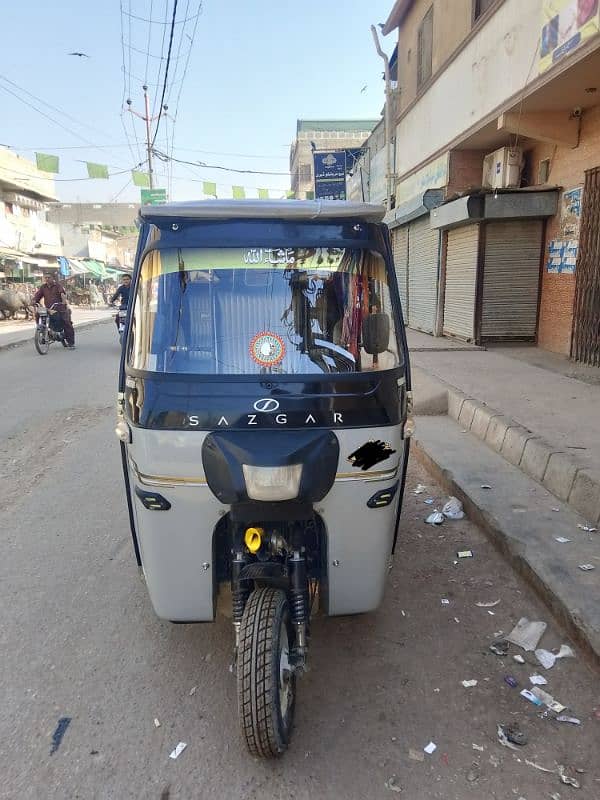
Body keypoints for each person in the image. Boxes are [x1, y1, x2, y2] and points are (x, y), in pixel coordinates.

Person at [32, 273, 75, 348]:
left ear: (53, 278)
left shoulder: (58, 286)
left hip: (60, 308)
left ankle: (71, 343)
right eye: (46, 277)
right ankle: (42, 330)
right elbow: (38, 295)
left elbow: (62, 294)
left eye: (49, 277)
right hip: (49, 309)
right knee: (38, 314)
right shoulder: (43, 287)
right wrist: (34, 300)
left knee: (67, 323)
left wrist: (64, 301)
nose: (47, 279)